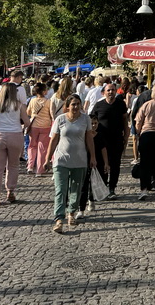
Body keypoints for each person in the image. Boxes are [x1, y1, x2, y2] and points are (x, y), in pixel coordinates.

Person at [44, 94, 96, 233]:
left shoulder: (85, 119)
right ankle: (59, 219)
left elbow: (89, 139)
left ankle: (71, 213)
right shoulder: (60, 119)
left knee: (76, 189)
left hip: (80, 160)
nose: (76, 107)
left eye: (78, 104)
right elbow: (53, 140)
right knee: (60, 190)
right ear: (67, 106)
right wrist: (47, 158)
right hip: (61, 160)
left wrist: (93, 157)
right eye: (73, 104)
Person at [0, 82, 30, 206]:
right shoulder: (18, 105)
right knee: (13, 166)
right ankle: (10, 191)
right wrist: (22, 126)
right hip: (15, 135)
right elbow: (27, 122)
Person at [90, 83, 129, 199]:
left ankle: (112, 188)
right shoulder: (99, 105)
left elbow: (125, 120)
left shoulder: (121, 104)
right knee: (102, 164)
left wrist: (126, 136)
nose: (111, 92)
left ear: (116, 91)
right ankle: (103, 187)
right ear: (104, 92)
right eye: (108, 90)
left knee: (115, 165)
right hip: (102, 140)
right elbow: (92, 120)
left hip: (117, 139)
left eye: (112, 90)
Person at [26, 83, 54, 175]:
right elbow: (51, 114)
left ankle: (30, 166)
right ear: (43, 91)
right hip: (46, 126)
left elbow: (28, 112)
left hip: (34, 125)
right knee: (42, 148)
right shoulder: (48, 101)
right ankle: (40, 170)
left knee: (32, 146)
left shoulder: (32, 101)